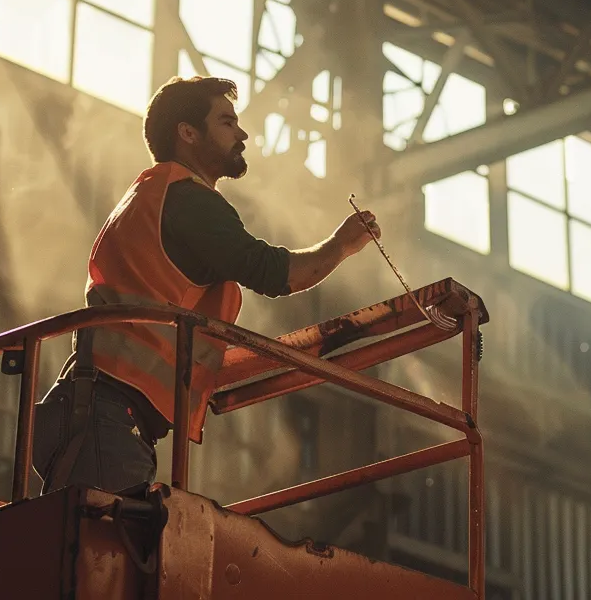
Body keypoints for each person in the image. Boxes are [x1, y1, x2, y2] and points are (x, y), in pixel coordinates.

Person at [31, 76, 381, 494]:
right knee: (101, 550)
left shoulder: (150, 194)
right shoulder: (190, 202)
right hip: (107, 417)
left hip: (93, 409)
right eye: (227, 123)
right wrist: (340, 246)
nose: (243, 135)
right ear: (188, 133)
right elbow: (274, 272)